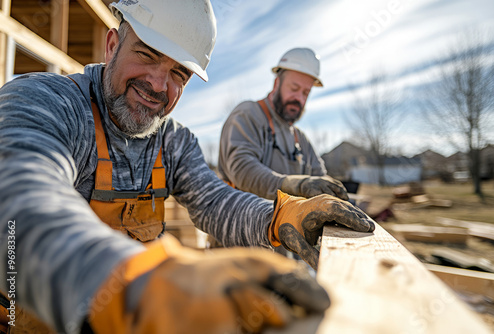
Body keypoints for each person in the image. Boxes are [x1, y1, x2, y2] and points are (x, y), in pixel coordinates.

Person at [0, 1, 375, 333]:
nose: (158, 84)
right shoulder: (48, 103)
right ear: (112, 45)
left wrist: (279, 217)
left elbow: (215, 202)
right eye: (147, 54)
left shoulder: (173, 140)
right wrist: (137, 284)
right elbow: (18, 197)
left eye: (179, 73)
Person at [219, 47, 349, 201]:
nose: (299, 98)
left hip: (285, 223)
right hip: (239, 220)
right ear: (276, 83)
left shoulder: (300, 138)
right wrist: (293, 185)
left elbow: (319, 177)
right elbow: (243, 170)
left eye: (305, 93)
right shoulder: (248, 115)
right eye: (294, 88)